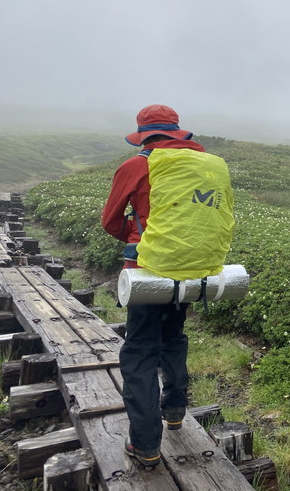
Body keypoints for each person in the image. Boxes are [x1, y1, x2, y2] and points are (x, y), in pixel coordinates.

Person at [101, 104, 204, 467]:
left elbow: (110, 220)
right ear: (176, 130)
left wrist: (134, 235)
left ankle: (145, 445)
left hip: (147, 270)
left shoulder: (136, 166)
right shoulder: (200, 163)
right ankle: (174, 411)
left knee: (141, 351)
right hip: (191, 268)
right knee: (174, 337)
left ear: (144, 133)